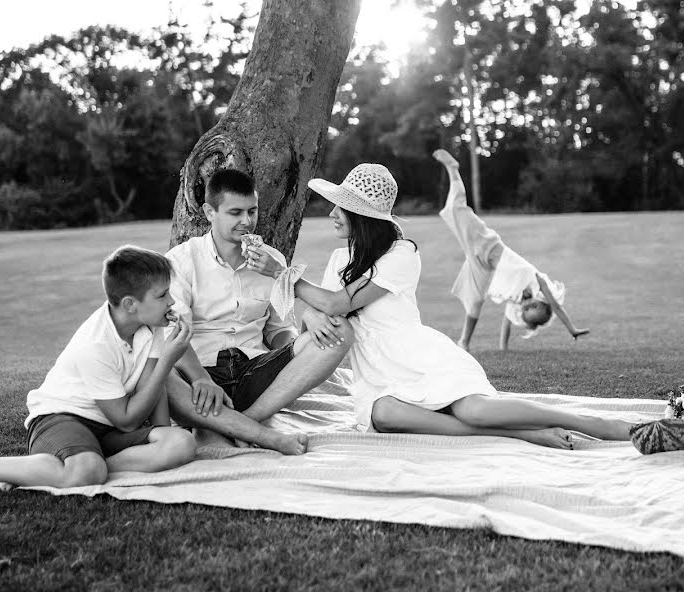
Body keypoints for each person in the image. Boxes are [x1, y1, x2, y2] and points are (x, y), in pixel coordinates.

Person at [243, 164, 656, 451]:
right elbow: (320, 311)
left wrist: (286, 277)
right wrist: (309, 311)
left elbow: (335, 302)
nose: (332, 213)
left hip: (419, 358)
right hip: (379, 375)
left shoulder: (401, 254)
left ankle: (594, 425)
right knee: (382, 415)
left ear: (362, 216)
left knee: (475, 408)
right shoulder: (338, 261)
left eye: (341, 207)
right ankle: (521, 435)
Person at [0, 245, 199, 488]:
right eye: (162, 295)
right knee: (85, 473)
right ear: (130, 304)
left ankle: (81, 465)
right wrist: (167, 361)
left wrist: (161, 436)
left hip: (108, 428)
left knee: (181, 443)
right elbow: (127, 421)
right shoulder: (95, 344)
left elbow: (152, 390)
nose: (172, 301)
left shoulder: (152, 324)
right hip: (63, 419)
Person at [163, 168, 354, 452]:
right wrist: (201, 379)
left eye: (252, 211)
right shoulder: (181, 260)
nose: (247, 222)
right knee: (160, 372)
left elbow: (277, 329)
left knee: (338, 331)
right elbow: (174, 333)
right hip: (200, 377)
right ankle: (239, 428)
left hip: (254, 372)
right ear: (209, 212)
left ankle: (243, 423)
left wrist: (298, 343)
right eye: (235, 213)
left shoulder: (272, 259)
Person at [433, 149, 590, 351]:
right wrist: (572, 329)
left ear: (522, 313)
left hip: (480, 264)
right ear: (542, 302)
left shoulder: (514, 302)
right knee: (457, 210)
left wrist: (503, 349)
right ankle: (453, 169)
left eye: (526, 310)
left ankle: (464, 341)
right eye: (535, 305)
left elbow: (506, 324)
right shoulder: (538, 282)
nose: (527, 304)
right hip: (488, 246)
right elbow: (557, 307)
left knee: (475, 302)